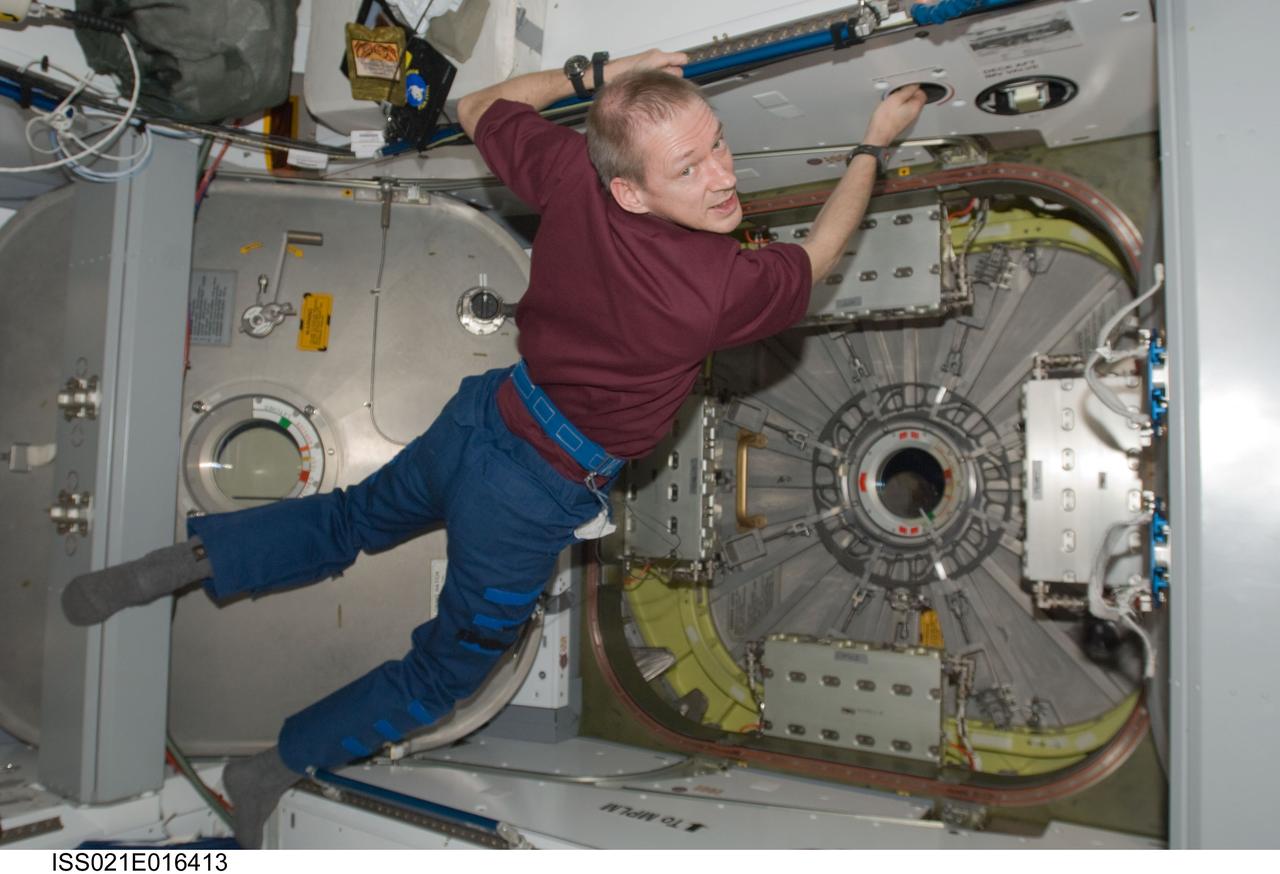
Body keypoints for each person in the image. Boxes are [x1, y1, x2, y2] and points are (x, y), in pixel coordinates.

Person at [61, 48, 926, 847]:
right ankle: (269, 768)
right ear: (630, 192)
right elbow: (816, 257)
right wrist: (873, 145)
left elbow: (479, 104)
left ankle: (176, 564)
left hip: (486, 418)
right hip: (528, 495)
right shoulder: (715, 288)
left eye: (718, 145)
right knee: (442, 676)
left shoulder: (579, 174)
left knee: (349, 519)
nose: (725, 177)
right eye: (689, 167)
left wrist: (599, 74)